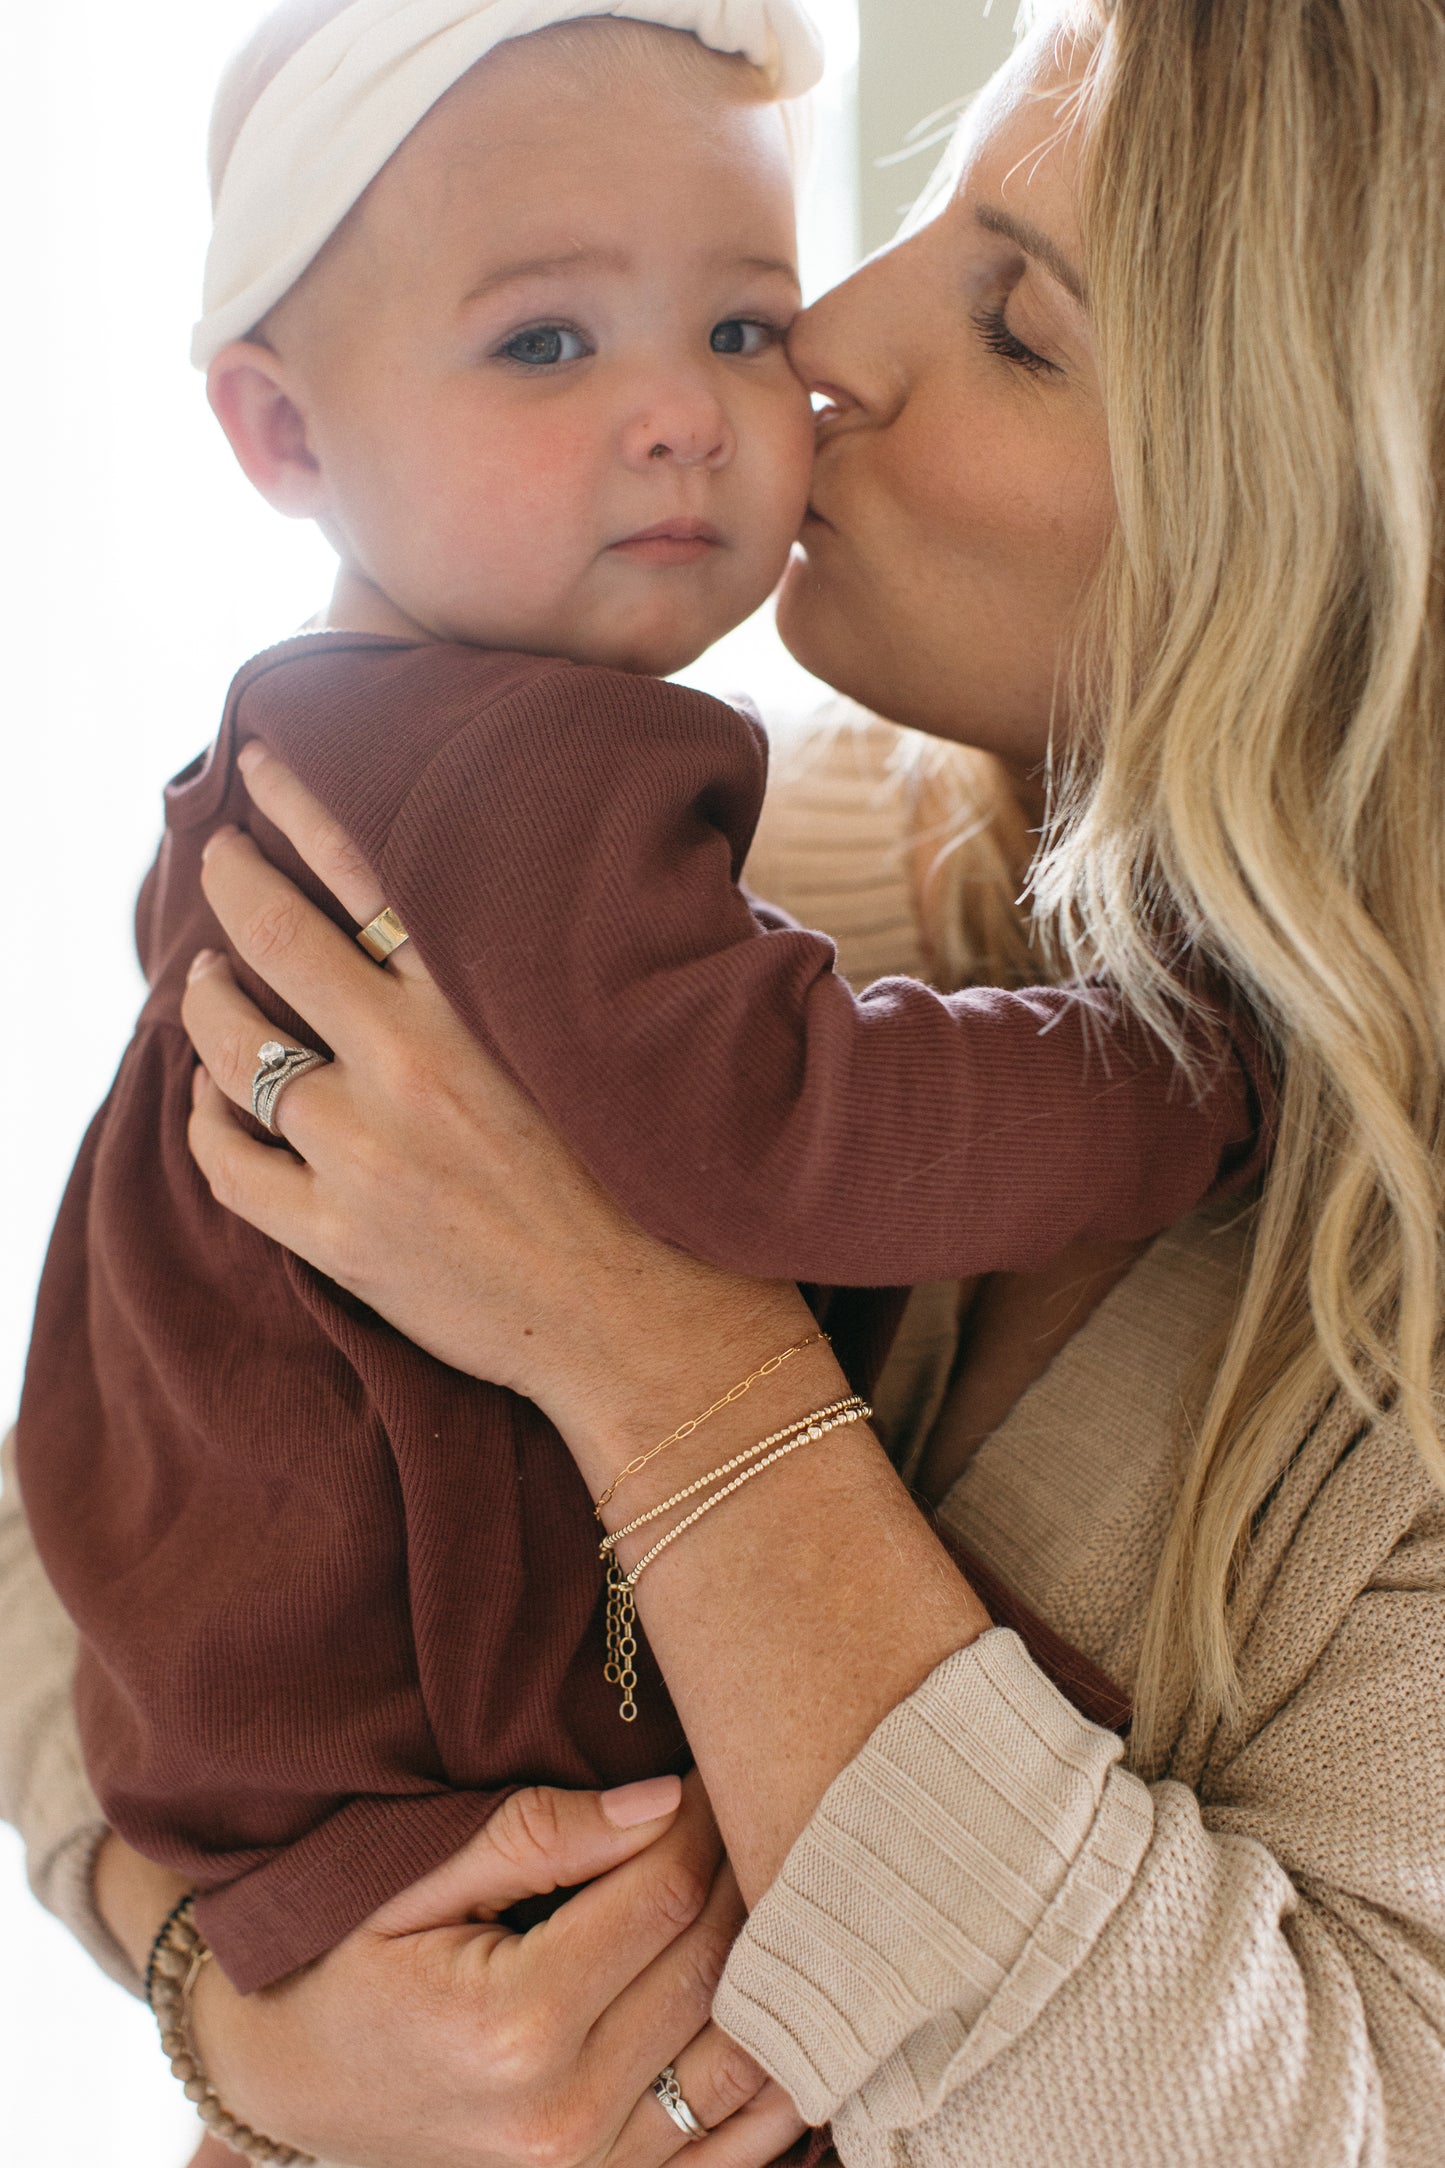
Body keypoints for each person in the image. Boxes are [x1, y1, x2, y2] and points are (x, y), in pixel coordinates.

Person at [6, 0, 1444, 2162]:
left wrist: (655, 1357)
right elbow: (84, 1504)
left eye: (1019, 324)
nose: (830, 340)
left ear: (1330, 525)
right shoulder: (671, 855)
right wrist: (253, 1998)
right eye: (550, 344)